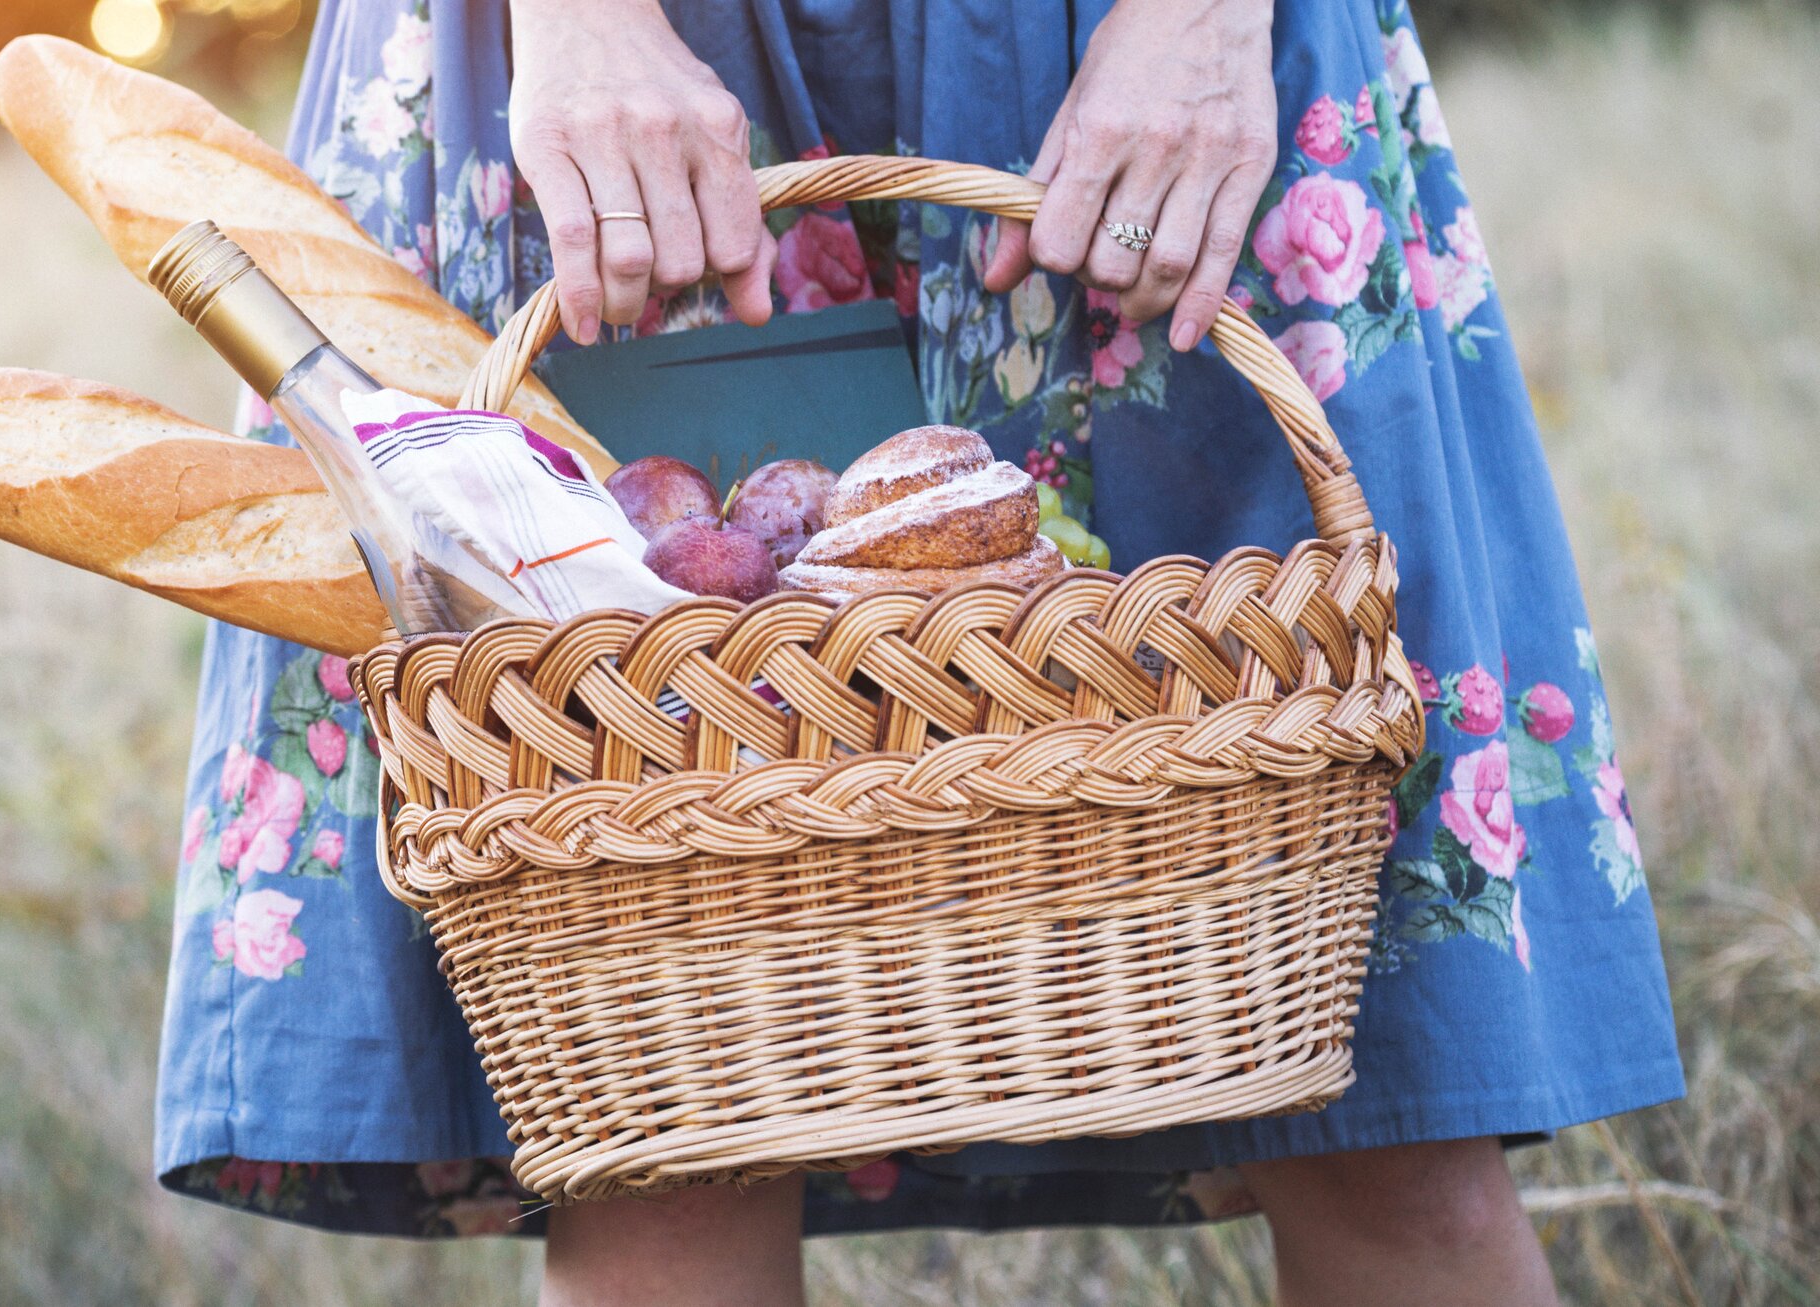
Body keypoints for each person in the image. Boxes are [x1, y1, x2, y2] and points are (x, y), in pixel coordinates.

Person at [157, 1, 1685, 1303]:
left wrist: (1207, 23)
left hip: (1147, 48)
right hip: (638, 51)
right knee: (660, 1095)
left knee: (1382, 1101)